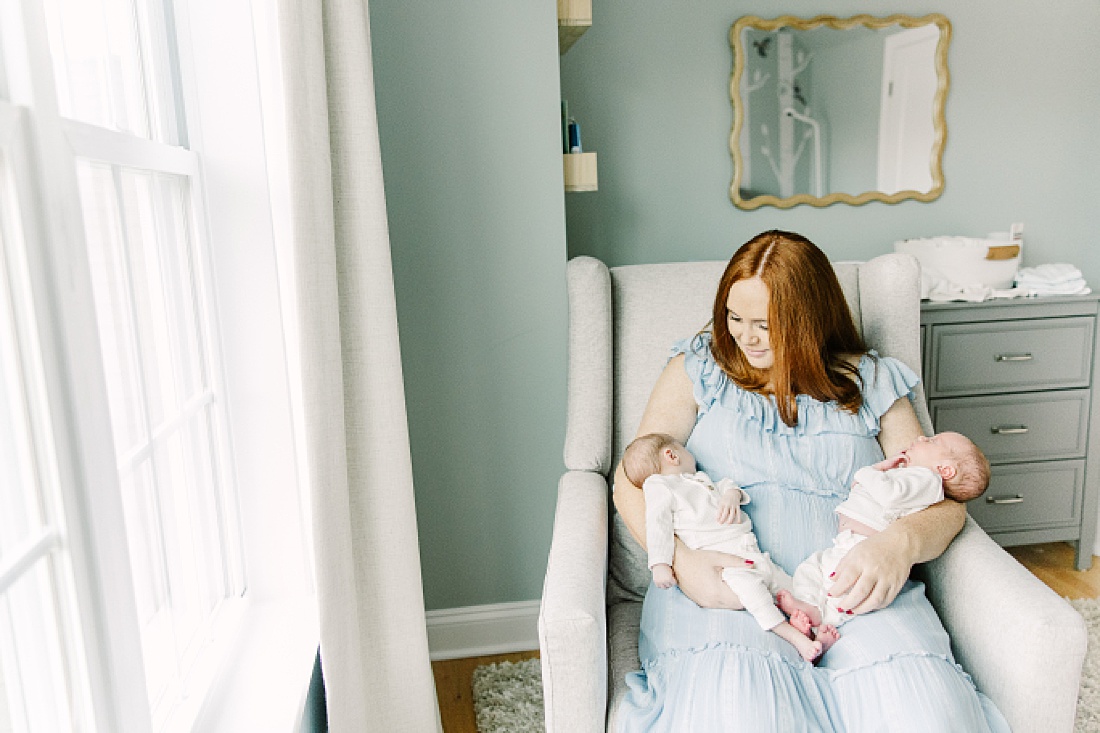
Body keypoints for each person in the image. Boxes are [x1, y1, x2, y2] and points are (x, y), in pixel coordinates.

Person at [612, 230, 1009, 731]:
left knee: (927, 716)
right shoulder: (698, 369)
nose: (744, 336)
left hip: (854, 593)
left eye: (764, 324)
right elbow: (633, 480)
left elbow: (946, 503)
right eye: (734, 318)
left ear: (810, 320)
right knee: (738, 713)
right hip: (728, 592)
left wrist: (899, 545)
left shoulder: (873, 382)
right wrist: (681, 563)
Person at [622, 432, 838, 661]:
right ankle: (795, 638)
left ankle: (813, 630)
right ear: (671, 454)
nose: (691, 455)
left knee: (788, 585)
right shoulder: (659, 485)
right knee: (755, 596)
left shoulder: (699, 479)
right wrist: (660, 564)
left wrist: (732, 497)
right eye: (684, 450)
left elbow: (728, 486)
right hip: (724, 564)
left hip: (751, 552)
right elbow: (657, 524)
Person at [777, 432, 991, 633]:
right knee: (813, 567)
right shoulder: (910, 477)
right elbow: (862, 488)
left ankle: (823, 620)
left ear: (945, 470)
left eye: (933, 441)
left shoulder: (926, 480)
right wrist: (879, 470)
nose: (921, 436)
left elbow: (889, 494)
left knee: (844, 585)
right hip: (848, 542)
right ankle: (808, 608)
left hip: (864, 545)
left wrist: (867, 472)